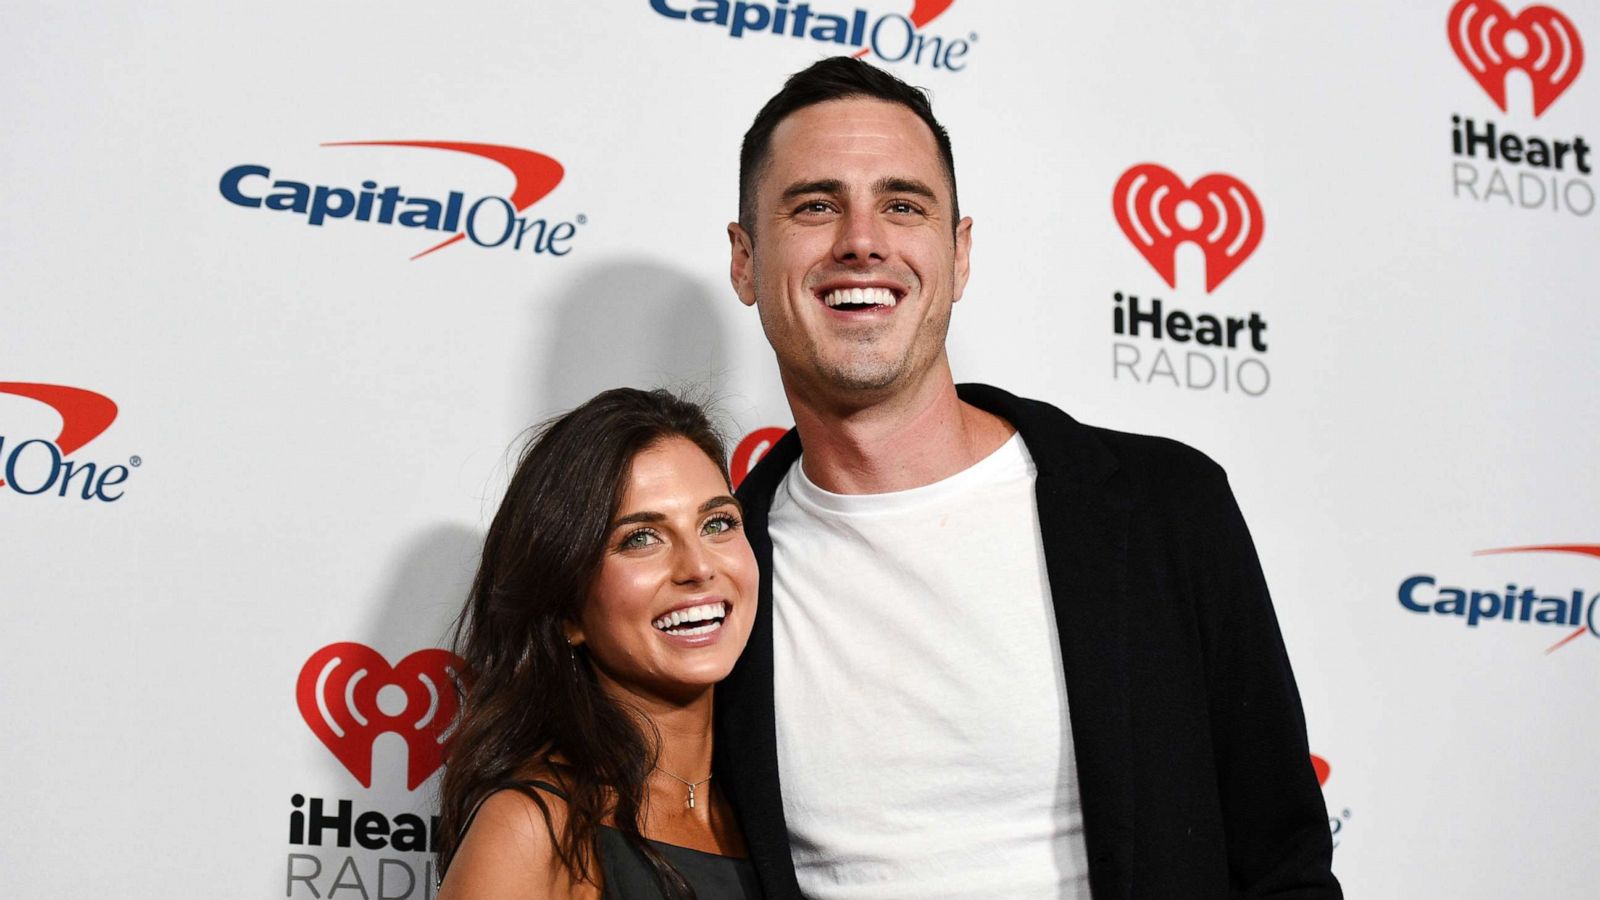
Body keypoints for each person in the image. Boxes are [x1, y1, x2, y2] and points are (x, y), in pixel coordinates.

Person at [715, 57, 1342, 899]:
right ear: (746, 262)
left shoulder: (1166, 507)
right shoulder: (716, 580)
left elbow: (1283, 865)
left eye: (903, 205)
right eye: (816, 205)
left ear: (959, 253)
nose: (861, 239)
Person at [436, 388, 766, 899]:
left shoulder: (776, 810)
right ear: (569, 609)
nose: (699, 567)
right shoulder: (532, 827)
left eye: (717, 523)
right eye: (640, 539)